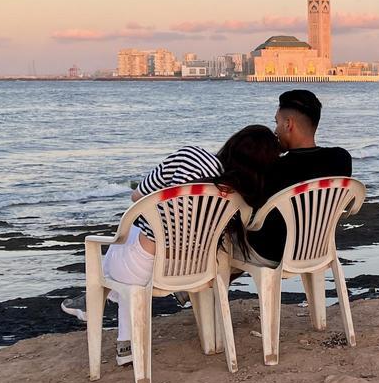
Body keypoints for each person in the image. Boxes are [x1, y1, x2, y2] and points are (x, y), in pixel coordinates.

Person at [60, 125, 282, 365]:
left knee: (128, 232)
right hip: (197, 269)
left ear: (234, 142)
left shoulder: (191, 156)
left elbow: (137, 198)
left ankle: (96, 303)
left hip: (143, 265)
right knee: (134, 242)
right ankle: (123, 343)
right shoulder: (245, 195)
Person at [228, 89, 353, 267]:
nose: (275, 130)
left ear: (288, 124)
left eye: (277, 122)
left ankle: (197, 291)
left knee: (223, 239)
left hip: (272, 251)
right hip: (317, 248)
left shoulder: (274, 168)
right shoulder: (340, 159)